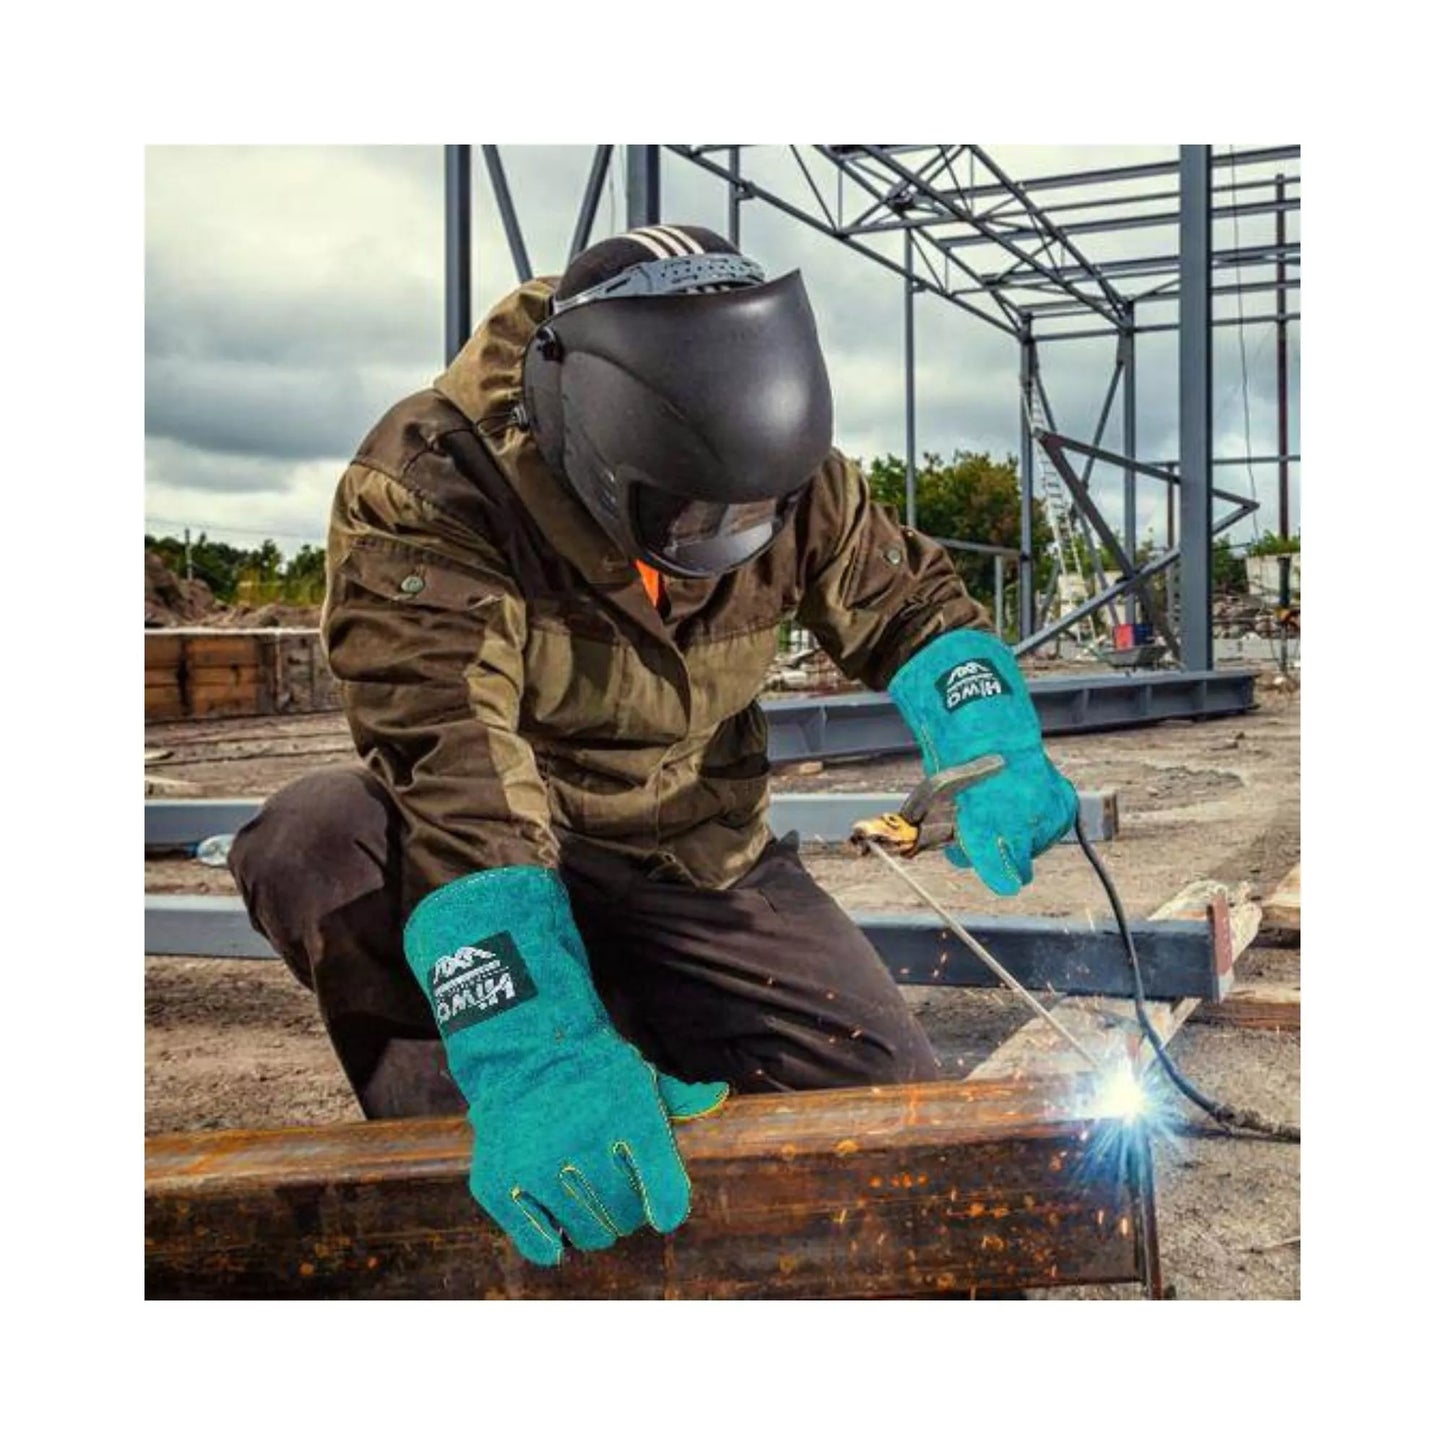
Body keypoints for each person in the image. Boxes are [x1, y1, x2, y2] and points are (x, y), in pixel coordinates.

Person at [230, 223, 1077, 1268]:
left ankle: (623, 1022)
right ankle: (487, 1146)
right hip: (507, 845)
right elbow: (454, 770)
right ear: (592, 438)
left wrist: (985, 727)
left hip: (695, 853)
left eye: (749, 513)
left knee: (879, 1094)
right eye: (687, 517)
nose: (717, 544)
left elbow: (911, 606)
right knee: (315, 838)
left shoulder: (779, 466)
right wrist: (533, 1049)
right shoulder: (431, 486)